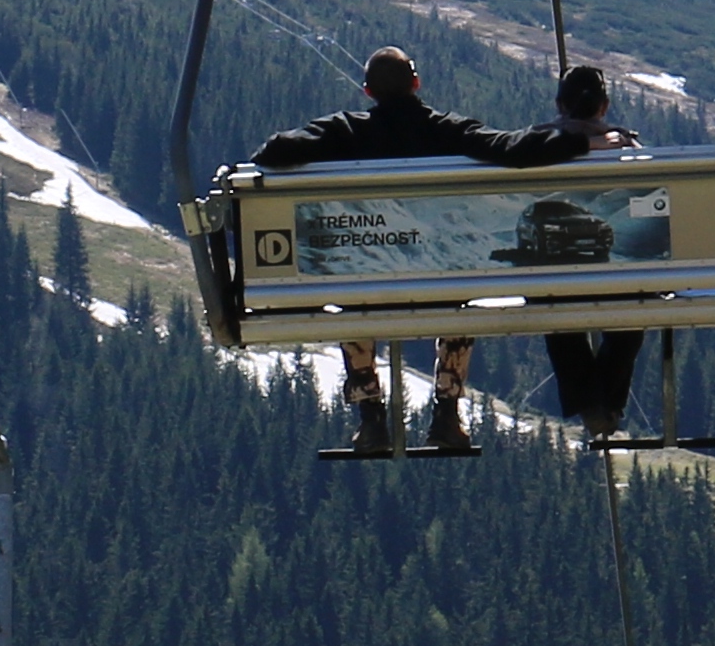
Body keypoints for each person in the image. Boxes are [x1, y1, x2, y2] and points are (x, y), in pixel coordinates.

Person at [250, 46, 500, 455]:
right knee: (459, 299)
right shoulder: (446, 130)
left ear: (368, 91)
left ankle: (371, 422)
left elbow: (274, 150)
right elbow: (506, 147)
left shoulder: (347, 132)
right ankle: (447, 415)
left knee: (352, 299)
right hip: (437, 276)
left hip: (370, 273)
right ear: (416, 83)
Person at [487, 61, 647, 436]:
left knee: (555, 309)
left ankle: (591, 402)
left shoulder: (536, 143)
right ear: (604, 107)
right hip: (621, 277)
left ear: (560, 105)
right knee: (631, 316)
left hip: (552, 274)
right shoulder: (625, 146)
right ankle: (607, 402)